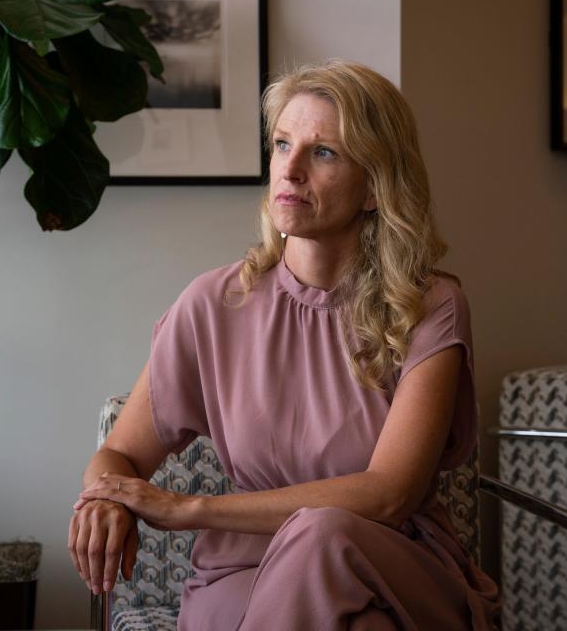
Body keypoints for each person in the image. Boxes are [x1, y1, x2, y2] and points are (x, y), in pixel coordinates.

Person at [68, 59, 500, 630]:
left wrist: (190, 509)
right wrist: (102, 498)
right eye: (281, 144)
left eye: (323, 153)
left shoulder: (430, 307)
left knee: (323, 533)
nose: (289, 170)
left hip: (391, 562)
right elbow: (119, 455)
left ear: (375, 187)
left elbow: (389, 494)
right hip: (243, 572)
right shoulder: (212, 305)